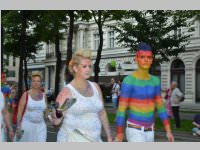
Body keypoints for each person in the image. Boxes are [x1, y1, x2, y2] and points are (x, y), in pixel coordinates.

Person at [115, 42, 174, 142]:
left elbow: (160, 107)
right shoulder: (129, 81)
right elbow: (121, 110)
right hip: (134, 130)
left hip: (150, 131)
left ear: (152, 60)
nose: (146, 60)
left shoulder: (155, 81)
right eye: (142, 57)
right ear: (136, 58)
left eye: (149, 57)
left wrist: (168, 130)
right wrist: (119, 134)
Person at [50, 49, 112, 142]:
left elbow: (102, 113)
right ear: (75, 68)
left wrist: (109, 136)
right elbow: (57, 121)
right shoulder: (69, 92)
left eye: (90, 66)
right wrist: (55, 116)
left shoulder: (95, 87)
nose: (88, 69)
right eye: (84, 66)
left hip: (95, 140)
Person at [15, 71, 48, 142]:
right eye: (34, 81)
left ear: (41, 82)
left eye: (38, 81)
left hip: (41, 127)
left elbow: (46, 113)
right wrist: (18, 127)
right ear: (31, 82)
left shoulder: (44, 96)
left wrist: (51, 114)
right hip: (27, 126)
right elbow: (19, 113)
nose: (36, 83)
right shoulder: (26, 95)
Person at [1, 72, 14, 142]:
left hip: (5, 110)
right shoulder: (6, 88)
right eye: (2, 77)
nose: (4, 79)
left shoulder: (7, 89)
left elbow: (10, 101)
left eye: (4, 77)